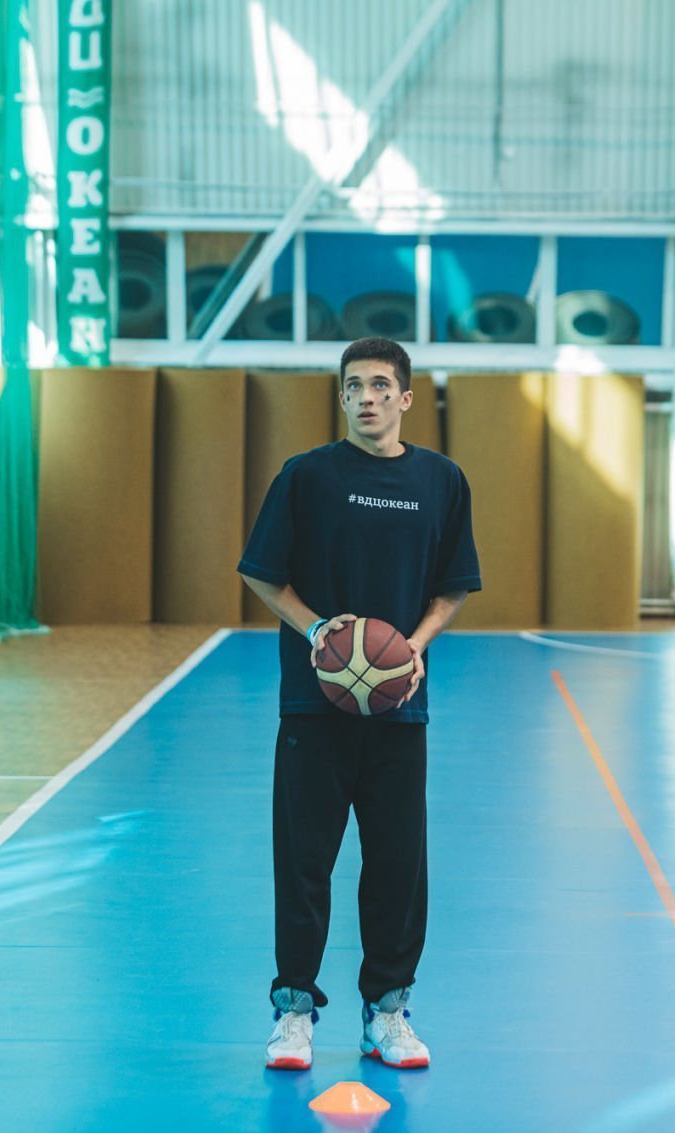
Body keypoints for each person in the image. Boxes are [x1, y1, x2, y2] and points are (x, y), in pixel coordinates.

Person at [238, 337, 481, 1073]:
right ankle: (294, 1012)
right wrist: (318, 630)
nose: (365, 397)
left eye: (379, 385)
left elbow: (454, 585)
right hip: (314, 708)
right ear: (341, 397)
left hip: (400, 711)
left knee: (398, 867)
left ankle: (388, 1013)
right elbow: (262, 573)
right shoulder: (307, 476)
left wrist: (413, 647)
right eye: (352, 386)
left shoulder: (441, 480)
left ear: (405, 397)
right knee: (303, 862)